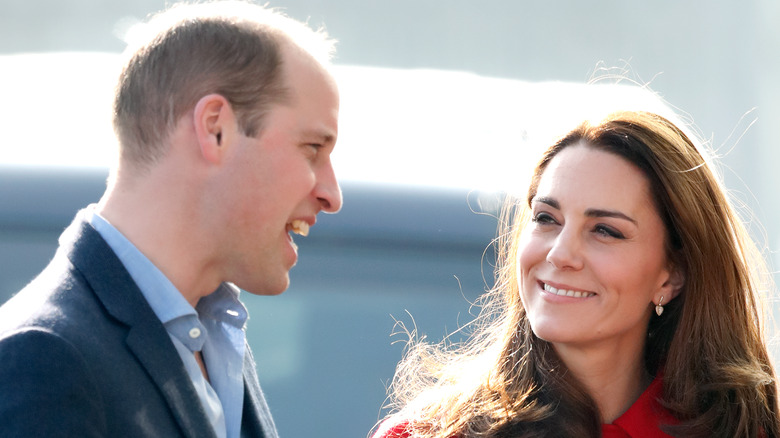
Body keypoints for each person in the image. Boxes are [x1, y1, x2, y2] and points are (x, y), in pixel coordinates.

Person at [0, 1, 341, 437]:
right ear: (215, 128)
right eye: (313, 148)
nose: (331, 195)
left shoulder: (215, 335)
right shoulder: (42, 360)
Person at [372, 110, 779, 438]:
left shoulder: (749, 431)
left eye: (605, 230)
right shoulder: (425, 434)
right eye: (547, 218)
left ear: (672, 276)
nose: (561, 252)